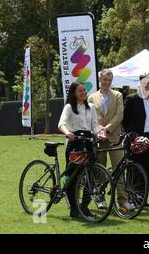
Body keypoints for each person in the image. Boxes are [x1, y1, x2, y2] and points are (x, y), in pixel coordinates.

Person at [88, 69, 133, 211]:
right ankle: (100, 199)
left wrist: (106, 128)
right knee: (100, 170)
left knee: (119, 170)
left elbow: (119, 115)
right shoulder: (91, 97)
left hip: (115, 138)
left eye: (109, 80)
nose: (107, 82)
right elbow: (91, 118)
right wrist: (100, 130)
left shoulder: (118, 95)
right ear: (99, 80)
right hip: (99, 139)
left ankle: (123, 201)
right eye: (105, 80)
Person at [58, 81, 104, 218]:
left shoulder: (91, 107)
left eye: (84, 90)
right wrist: (67, 133)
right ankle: (74, 209)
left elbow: (95, 126)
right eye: (80, 91)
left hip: (88, 143)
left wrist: (99, 133)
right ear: (74, 93)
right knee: (73, 178)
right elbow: (61, 123)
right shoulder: (69, 107)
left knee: (91, 176)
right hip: (75, 143)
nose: (84, 93)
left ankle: (84, 207)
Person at [122, 73, 149, 207]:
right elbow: (125, 120)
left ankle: (142, 199)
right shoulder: (131, 99)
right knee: (134, 169)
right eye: (145, 82)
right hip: (135, 138)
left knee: (148, 169)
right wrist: (131, 136)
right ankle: (132, 199)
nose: (148, 85)